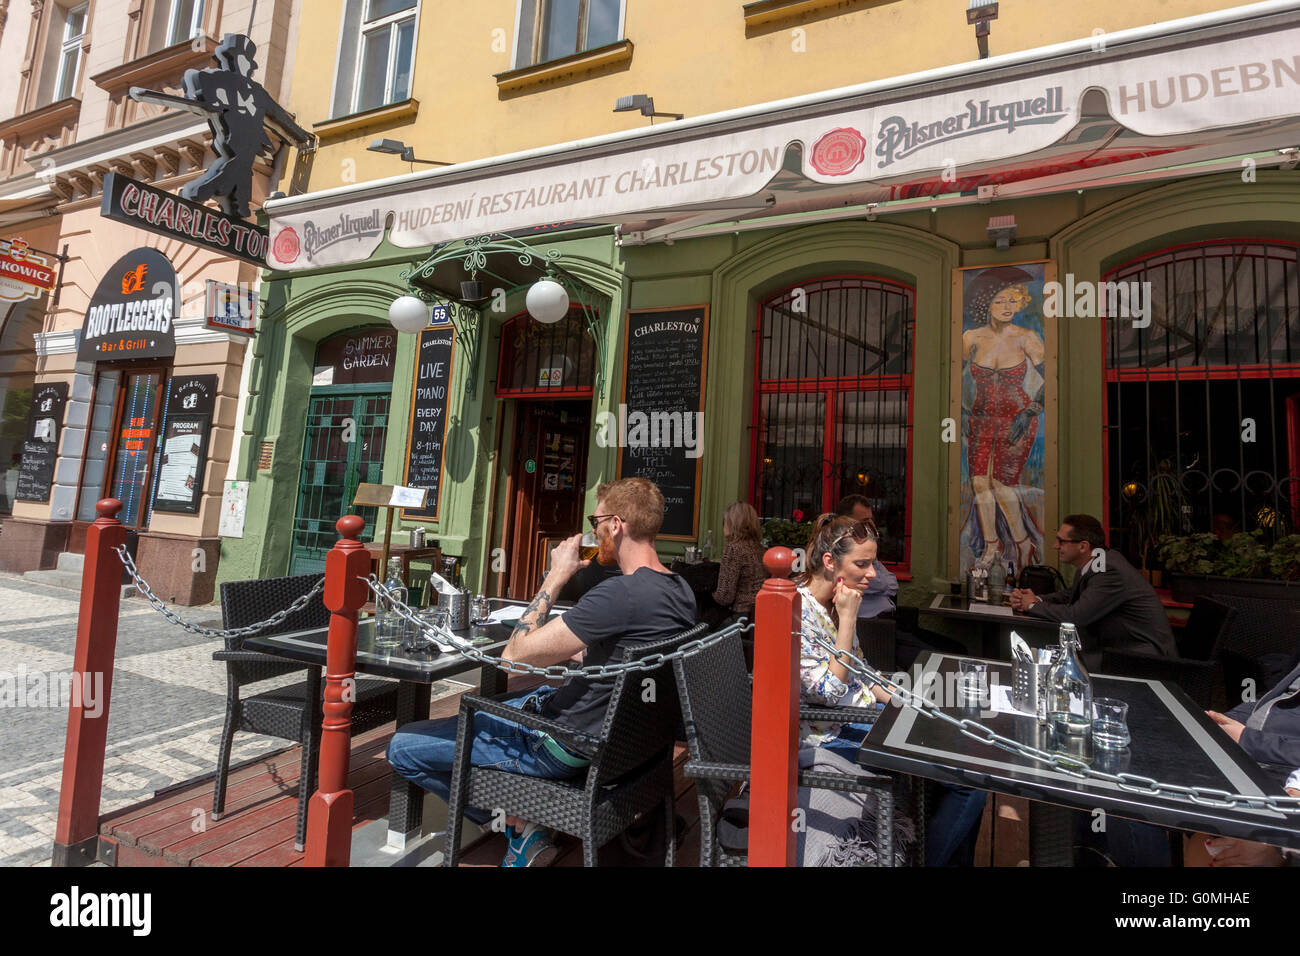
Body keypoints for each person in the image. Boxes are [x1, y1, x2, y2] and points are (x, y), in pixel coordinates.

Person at [386, 477, 696, 866]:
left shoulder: (619, 594)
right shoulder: (679, 590)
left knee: (403, 746)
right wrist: (583, 653)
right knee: (491, 707)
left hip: (564, 744)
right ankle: (523, 815)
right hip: (626, 743)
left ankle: (519, 825)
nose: (592, 531)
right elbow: (629, 656)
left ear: (616, 525)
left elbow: (515, 656)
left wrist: (557, 574)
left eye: (596, 521)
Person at [796, 513, 987, 866]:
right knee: (967, 783)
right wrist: (849, 618)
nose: (872, 573)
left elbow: (862, 672)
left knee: (967, 764)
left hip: (865, 720)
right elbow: (831, 693)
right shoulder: (800, 611)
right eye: (862, 564)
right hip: (830, 738)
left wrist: (907, 701)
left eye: (874, 563)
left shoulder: (835, 602)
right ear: (829, 561)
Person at [961, 267, 1046, 571]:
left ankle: (1023, 544)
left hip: (1017, 417)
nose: (1009, 308)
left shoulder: (1027, 338)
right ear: (986, 304)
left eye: (1014, 301)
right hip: (981, 418)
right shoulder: (971, 337)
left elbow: (1052, 381)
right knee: (979, 483)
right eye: (1001, 301)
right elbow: (951, 377)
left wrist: (1031, 411)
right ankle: (992, 546)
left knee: (1001, 482)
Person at [1009, 513, 1176, 667]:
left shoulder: (1109, 571)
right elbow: (1070, 595)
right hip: (1119, 649)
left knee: (1059, 666)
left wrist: (1031, 606)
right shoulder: (1098, 561)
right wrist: (1036, 599)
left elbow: (1076, 616)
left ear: (1083, 546)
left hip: (1143, 658)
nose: (1055, 546)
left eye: (1061, 541)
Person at [835, 494, 967, 670]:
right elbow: (884, 583)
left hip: (895, 624)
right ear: (846, 523)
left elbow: (892, 583)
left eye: (871, 521)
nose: (872, 526)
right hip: (877, 632)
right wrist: (883, 584)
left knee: (958, 650)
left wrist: (883, 583)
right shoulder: (844, 559)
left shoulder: (866, 555)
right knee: (948, 663)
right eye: (865, 522)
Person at [710, 502, 765, 624]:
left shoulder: (734, 549)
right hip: (758, 614)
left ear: (732, 523)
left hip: (740, 617)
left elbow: (724, 597)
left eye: (724, 521)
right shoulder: (759, 548)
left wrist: (708, 593)